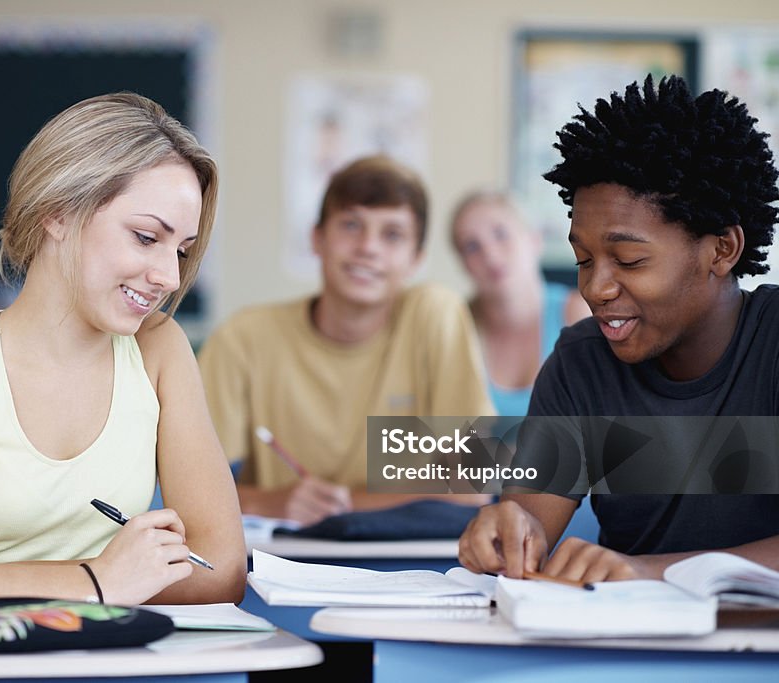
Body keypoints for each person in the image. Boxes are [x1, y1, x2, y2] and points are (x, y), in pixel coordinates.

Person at [0, 93, 246, 619]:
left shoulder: (159, 349)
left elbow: (220, 567)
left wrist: (105, 584)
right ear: (58, 212)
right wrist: (94, 583)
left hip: (104, 665)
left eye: (182, 250)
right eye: (147, 237)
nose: (170, 277)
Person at [458, 74, 779, 582]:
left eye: (628, 260)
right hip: (630, 649)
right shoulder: (582, 363)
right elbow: (525, 525)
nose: (596, 288)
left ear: (722, 249)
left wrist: (646, 572)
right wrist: (503, 531)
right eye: (584, 259)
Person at [198, 155, 493, 526]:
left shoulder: (435, 314)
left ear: (416, 259)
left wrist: (344, 504)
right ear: (317, 238)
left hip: (406, 558)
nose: (368, 247)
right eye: (351, 225)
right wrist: (273, 501)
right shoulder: (243, 338)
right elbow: (189, 491)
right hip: (280, 557)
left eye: (392, 234)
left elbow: (475, 481)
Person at [450, 191, 589, 416]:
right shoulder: (455, 330)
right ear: (463, 265)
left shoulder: (579, 314)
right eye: (472, 246)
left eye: (501, 234)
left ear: (534, 240)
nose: (490, 254)